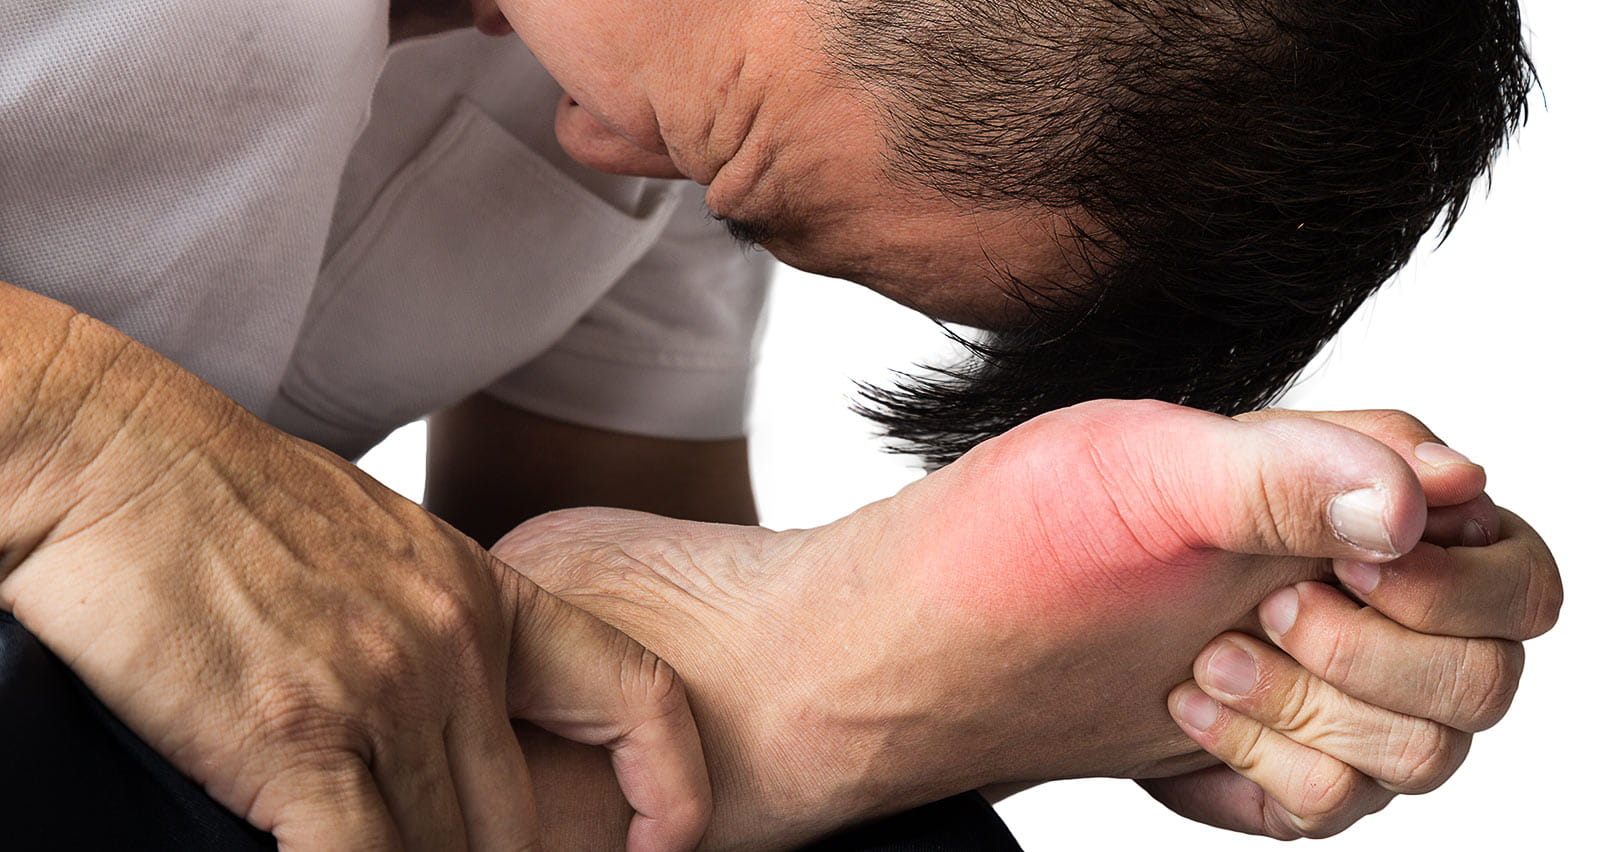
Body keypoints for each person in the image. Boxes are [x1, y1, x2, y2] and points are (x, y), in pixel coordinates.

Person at [0, 0, 1556, 849]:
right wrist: (83, 435)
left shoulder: (634, 80)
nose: (610, 152)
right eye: (733, 169)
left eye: (736, 204)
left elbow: (571, 618)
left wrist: (1118, 669)